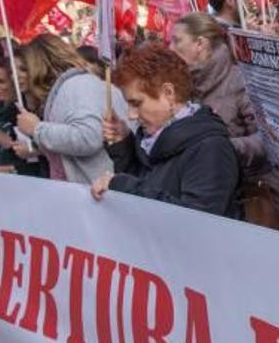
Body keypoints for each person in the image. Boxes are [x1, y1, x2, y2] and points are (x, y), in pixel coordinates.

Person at [170, 12, 279, 231]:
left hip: (257, 199)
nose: (170, 47)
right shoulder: (183, 88)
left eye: (177, 40)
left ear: (199, 44)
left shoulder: (241, 80)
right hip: (215, 199)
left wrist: (223, 149)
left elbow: (270, 138)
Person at [95, 45, 240, 218]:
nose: (131, 115)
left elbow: (197, 221)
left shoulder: (210, 148)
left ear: (168, 93)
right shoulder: (154, 138)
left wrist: (123, 186)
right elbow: (147, 180)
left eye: (136, 103)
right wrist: (123, 144)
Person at [16, 34, 128, 184]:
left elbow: (89, 137)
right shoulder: (70, 86)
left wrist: (37, 129)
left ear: (40, 67)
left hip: (101, 193)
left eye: (25, 69)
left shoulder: (77, 86)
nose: (17, 77)